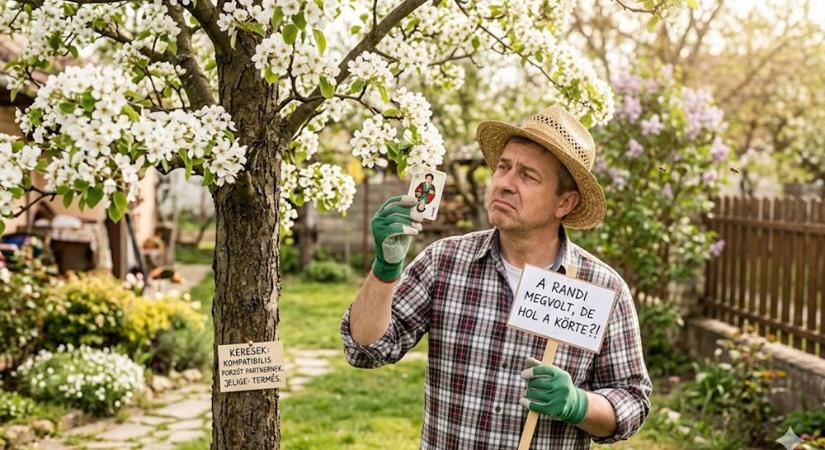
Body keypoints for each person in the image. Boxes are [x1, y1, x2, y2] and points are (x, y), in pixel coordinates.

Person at [340, 105, 651, 449]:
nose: (504, 183)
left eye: (527, 176)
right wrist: (385, 269)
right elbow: (365, 350)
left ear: (564, 202)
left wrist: (578, 404)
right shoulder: (445, 262)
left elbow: (632, 400)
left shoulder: (601, 288)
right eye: (503, 167)